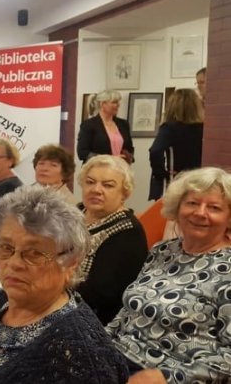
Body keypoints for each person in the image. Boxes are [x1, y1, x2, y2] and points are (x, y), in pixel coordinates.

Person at [0, 186, 129, 383]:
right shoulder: (4, 300)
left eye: (35, 253)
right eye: (6, 248)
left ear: (71, 263)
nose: (13, 263)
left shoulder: (79, 359)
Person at [107, 167, 231, 382]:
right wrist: (97, 340)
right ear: (178, 207)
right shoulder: (163, 250)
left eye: (214, 207)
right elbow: (128, 312)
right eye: (192, 203)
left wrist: (168, 377)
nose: (200, 212)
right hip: (116, 358)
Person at [77, 155, 147, 325]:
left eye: (108, 185)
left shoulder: (128, 232)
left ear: (125, 193)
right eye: (90, 182)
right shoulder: (75, 212)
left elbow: (99, 295)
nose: (96, 189)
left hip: (89, 320)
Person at [148, 88, 204, 200]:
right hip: (200, 177)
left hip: (177, 179)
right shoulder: (204, 127)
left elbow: (155, 151)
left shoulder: (169, 127)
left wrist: (161, 173)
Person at [77, 90, 134, 163]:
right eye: (114, 102)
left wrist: (128, 157)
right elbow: (82, 153)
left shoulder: (124, 124)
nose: (118, 105)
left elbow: (130, 148)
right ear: (102, 104)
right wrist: (110, 159)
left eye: (118, 102)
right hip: (97, 169)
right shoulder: (88, 125)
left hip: (120, 169)